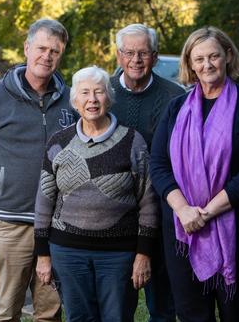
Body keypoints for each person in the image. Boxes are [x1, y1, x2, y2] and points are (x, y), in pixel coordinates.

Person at [149, 26, 239, 321]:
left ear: (228, 56)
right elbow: (158, 164)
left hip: (238, 227)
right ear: (190, 64)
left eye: (214, 56)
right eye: (199, 58)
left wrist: (205, 213)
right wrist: (182, 209)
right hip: (183, 230)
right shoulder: (176, 109)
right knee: (191, 313)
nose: (207, 64)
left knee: (235, 310)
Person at [0, 18, 76, 322]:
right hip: (10, 226)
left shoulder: (72, 100)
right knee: (7, 311)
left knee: (49, 312)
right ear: (27, 48)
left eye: (55, 50)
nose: (47, 56)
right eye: (41, 48)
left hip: (57, 227)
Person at [34, 66, 159, 322]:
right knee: (78, 318)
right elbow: (44, 201)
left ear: (109, 98)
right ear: (75, 101)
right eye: (85, 93)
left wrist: (143, 254)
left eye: (99, 92)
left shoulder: (133, 141)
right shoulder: (59, 142)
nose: (92, 99)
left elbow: (148, 202)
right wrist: (43, 255)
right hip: (67, 252)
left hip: (118, 255)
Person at [110, 23, 185, 322]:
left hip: (163, 213)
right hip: (115, 220)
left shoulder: (176, 98)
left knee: (163, 307)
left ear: (154, 57)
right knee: (116, 308)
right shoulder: (103, 93)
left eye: (143, 53)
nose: (136, 60)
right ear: (118, 56)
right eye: (129, 52)